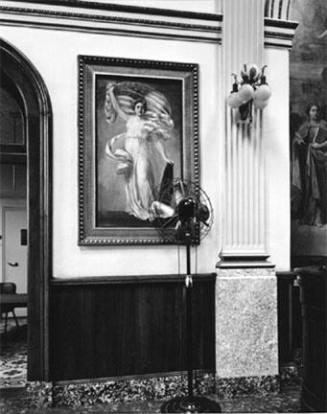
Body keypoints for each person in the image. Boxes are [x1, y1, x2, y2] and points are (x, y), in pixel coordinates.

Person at [105, 83, 174, 221]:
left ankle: (148, 208)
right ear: (134, 108)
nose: (140, 109)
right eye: (137, 107)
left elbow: (156, 141)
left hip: (142, 150)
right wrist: (112, 93)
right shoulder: (130, 119)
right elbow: (118, 109)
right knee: (131, 180)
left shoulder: (148, 123)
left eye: (142, 107)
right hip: (129, 150)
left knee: (143, 178)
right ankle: (135, 207)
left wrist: (164, 156)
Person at [292, 104, 327, 225]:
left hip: (320, 160)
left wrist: (320, 146)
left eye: (317, 110)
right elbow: (297, 140)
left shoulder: (323, 125)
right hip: (307, 161)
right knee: (309, 187)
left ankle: (319, 218)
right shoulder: (305, 126)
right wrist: (299, 141)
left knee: (321, 187)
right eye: (313, 110)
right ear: (309, 112)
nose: (315, 112)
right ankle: (308, 217)